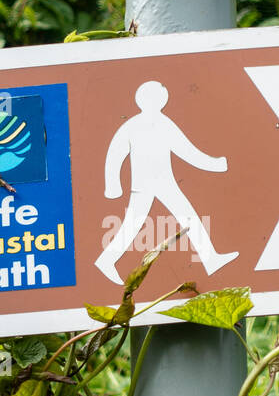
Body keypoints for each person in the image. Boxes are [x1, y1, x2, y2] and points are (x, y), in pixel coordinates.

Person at [95, 80, 238, 283]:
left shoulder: (163, 123)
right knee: (134, 225)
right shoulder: (133, 126)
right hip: (145, 185)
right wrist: (112, 186)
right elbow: (115, 154)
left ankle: (211, 259)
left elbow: (187, 151)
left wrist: (216, 165)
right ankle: (106, 260)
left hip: (164, 182)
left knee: (188, 217)